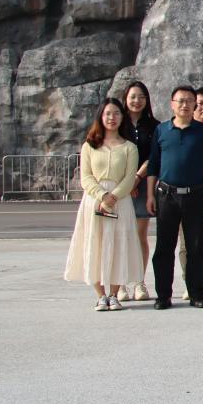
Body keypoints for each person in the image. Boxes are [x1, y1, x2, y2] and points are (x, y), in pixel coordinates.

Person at [65, 98, 143, 310]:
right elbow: (86, 177)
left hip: (120, 201)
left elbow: (130, 177)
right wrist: (102, 195)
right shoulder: (89, 146)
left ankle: (115, 293)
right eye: (108, 113)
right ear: (101, 116)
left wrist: (114, 196)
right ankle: (100, 295)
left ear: (122, 117)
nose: (112, 118)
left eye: (116, 113)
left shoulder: (129, 147)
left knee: (119, 244)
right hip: (95, 201)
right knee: (95, 244)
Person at [147, 85, 203, 309]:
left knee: (196, 247)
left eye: (189, 101)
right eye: (180, 100)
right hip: (166, 195)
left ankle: (197, 294)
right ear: (172, 104)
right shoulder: (161, 130)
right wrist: (150, 196)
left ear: (194, 104)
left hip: (195, 195)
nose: (185, 105)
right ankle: (163, 296)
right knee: (164, 248)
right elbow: (153, 166)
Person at [177, 87, 203, 301]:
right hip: (187, 194)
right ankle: (190, 281)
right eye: (200, 103)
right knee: (187, 243)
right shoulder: (183, 130)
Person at [119, 80, 158, 302]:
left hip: (143, 185)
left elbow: (154, 156)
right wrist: (127, 182)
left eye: (142, 97)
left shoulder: (154, 126)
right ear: (126, 98)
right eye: (133, 96)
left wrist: (136, 179)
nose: (137, 101)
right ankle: (120, 283)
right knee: (121, 236)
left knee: (140, 236)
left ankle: (139, 282)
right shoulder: (117, 122)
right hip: (120, 186)